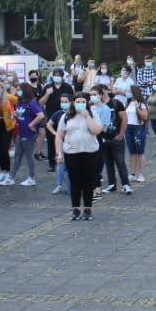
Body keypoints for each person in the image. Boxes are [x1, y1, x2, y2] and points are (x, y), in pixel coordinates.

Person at [56, 93, 103, 221]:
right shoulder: (66, 116)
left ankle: (88, 208)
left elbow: (96, 130)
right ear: (73, 102)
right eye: (78, 102)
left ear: (87, 103)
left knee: (88, 182)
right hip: (72, 153)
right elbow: (59, 136)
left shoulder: (93, 114)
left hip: (90, 153)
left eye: (83, 102)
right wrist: (59, 153)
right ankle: (75, 209)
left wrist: (87, 116)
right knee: (75, 182)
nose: (80, 104)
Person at [8, 85, 45, 187]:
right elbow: (21, 114)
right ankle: (11, 177)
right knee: (17, 156)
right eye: (17, 90)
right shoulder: (20, 102)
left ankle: (31, 178)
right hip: (21, 132)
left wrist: (31, 124)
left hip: (29, 134)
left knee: (29, 156)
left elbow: (41, 115)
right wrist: (15, 115)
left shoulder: (32, 103)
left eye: (20, 90)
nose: (18, 92)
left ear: (25, 91)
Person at [100, 86, 132, 193]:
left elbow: (124, 118)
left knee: (120, 162)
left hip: (116, 137)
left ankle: (126, 184)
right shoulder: (97, 105)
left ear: (107, 91)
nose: (102, 94)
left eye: (103, 91)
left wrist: (121, 134)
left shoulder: (116, 103)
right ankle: (112, 185)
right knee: (108, 163)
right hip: (103, 139)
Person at [43, 69, 75, 172]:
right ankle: (52, 163)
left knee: (67, 139)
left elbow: (73, 100)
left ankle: (66, 161)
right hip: (52, 117)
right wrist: (47, 94)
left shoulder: (67, 87)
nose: (57, 77)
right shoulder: (48, 87)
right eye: (55, 75)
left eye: (59, 75)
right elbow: (40, 102)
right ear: (52, 76)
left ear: (62, 76)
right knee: (51, 141)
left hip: (66, 116)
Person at [45, 94, 72, 195]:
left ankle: (70, 188)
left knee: (69, 167)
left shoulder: (74, 114)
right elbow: (49, 124)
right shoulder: (58, 113)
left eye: (65, 102)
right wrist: (55, 133)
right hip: (61, 143)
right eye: (62, 102)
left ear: (71, 102)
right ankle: (59, 185)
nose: (63, 104)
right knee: (60, 165)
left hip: (72, 144)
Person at [0, 82, 15, 185]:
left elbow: (16, 101)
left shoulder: (8, 98)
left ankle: (8, 171)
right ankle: (2, 171)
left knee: (5, 148)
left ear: (2, 89)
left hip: (7, 124)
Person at [124, 86, 149, 181]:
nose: (127, 93)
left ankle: (141, 174)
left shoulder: (141, 104)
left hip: (138, 128)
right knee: (132, 152)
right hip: (128, 128)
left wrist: (137, 107)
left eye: (129, 91)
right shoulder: (128, 103)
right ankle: (132, 173)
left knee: (140, 151)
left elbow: (145, 117)